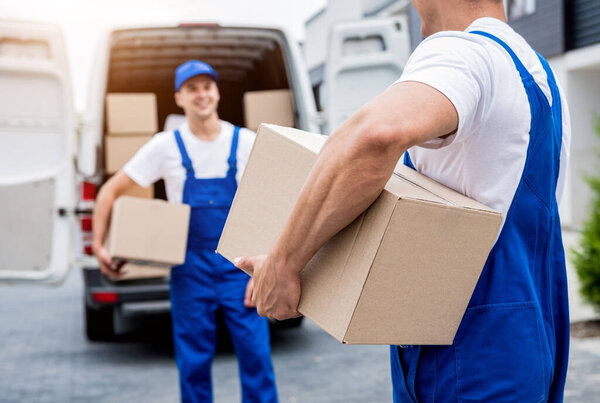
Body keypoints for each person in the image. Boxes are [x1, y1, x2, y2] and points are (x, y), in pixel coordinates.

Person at [235, 0, 571, 401]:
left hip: (467, 350)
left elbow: (372, 137)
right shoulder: (540, 76)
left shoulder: (462, 52)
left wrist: (284, 263)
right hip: (527, 339)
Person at [93, 60, 278, 403]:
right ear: (179, 98)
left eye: (207, 86)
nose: (201, 94)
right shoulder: (165, 146)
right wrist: (99, 245)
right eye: (192, 89)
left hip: (239, 267)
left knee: (256, 357)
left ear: (217, 92)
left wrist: (265, 263)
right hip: (190, 271)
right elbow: (109, 191)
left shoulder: (246, 142)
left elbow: (275, 202)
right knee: (193, 362)